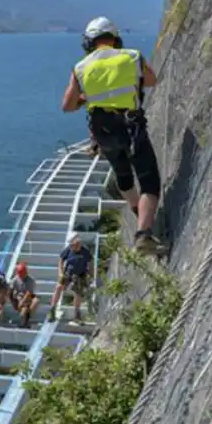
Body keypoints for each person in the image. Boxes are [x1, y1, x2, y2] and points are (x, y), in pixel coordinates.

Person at [61, 16, 168, 256]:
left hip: (103, 129)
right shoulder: (131, 56)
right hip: (130, 125)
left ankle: (135, 208)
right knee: (148, 179)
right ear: (115, 38)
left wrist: (85, 98)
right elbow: (151, 80)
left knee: (122, 173)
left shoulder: (80, 67)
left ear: (89, 41)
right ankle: (143, 234)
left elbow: (67, 105)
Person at [47, 233, 93, 324]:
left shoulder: (85, 251)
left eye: (73, 246)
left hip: (80, 274)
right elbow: (61, 259)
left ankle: (77, 314)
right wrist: (60, 273)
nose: (72, 247)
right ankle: (52, 310)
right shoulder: (68, 250)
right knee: (58, 287)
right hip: (68, 273)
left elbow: (91, 262)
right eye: (71, 246)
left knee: (78, 292)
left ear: (78, 243)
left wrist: (91, 275)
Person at [8, 262, 39, 328]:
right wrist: (13, 303)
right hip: (20, 296)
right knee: (23, 312)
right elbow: (10, 292)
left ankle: (28, 316)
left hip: (29, 296)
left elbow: (29, 293)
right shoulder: (15, 280)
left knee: (36, 301)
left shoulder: (31, 280)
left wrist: (22, 302)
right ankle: (23, 322)